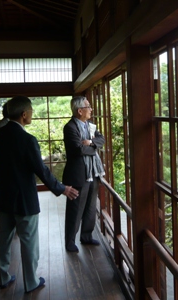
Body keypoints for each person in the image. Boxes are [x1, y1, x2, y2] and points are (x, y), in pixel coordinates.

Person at [0, 96, 79, 292]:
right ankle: (30, 282)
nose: (32, 114)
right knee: (29, 242)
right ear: (24, 115)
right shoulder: (27, 139)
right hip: (24, 199)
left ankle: (2, 278)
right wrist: (61, 188)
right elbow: (41, 170)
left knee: (2, 241)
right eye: (30, 111)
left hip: (2, 197)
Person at [62, 96, 105, 253]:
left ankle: (86, 236)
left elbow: (102, 139)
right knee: (75, 209)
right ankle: (70, 241)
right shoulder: (70, 127)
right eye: (88, 106)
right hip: (78, 174)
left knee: (90, 207)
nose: (91, 109)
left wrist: (90, 143)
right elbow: (77, 150)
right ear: (80, 111)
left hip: (93, 172)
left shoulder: (90, 126)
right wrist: (93, 147)